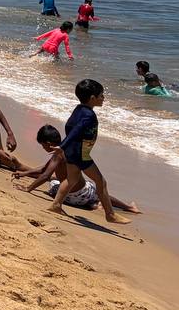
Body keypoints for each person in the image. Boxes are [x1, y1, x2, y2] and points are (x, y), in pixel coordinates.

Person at [49, 79, 130, 223]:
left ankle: (56, 205)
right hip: (81, 154)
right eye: (101, 95)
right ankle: (110, 214)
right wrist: (63, 145)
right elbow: (76, 130)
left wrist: (66, 146)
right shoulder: (89, 115)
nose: (103, 98)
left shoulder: (79, 109)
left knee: (71, 179)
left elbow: (69, 127)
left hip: (73, 152)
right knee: (101, 181)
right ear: (92, 98)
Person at [13, 125, 140, 214]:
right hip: (83, 194)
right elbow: (44, 168)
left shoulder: (57, 155)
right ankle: (127, 207)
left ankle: (95, 205)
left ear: (48, 143)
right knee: (95, 190)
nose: (43, 148)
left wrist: (28, 189)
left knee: (53, 185)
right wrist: (25, 173)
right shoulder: (66, 150)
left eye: (42, 146)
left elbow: (45, 175)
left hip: (71, 197)